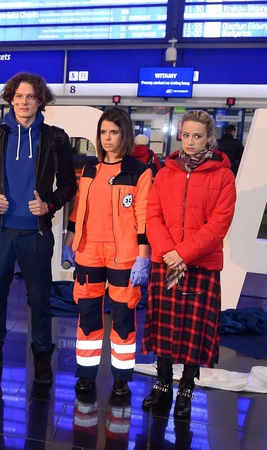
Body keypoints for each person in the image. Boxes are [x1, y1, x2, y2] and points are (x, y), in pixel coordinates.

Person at [0, 72, 77, 385]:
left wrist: (49, 205)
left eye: (30, 96)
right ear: (10, 99)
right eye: (18, 96)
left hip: (37, 234)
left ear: (41, 100)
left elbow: (69, 184)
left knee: (40, 299)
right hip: (0, 233)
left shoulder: (55, 139)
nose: (23, 102)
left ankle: (41, 355)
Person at [141, 110, 236, 420]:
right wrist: (168, 251)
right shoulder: (165, 172)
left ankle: (185, 389)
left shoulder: (223, 175)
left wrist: (182, 253)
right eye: (186, 135)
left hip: (200, 265)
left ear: (209, 138)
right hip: (166, 262)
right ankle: (163, 383)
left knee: (194, 332)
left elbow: (219, 225)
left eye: (198, 136)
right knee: (164, 327)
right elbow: (152, 215)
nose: (190, 141)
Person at [63, 107, 152, 398]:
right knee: (88, 315)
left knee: (123, 319)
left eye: (114, 132)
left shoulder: (139, 171)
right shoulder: (91, 169)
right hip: (89, 251)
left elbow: (143, 216)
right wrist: (70, 239)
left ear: (124, 134)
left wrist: (143, 256)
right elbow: (79, 207)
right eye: (103, 132)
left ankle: (121, 377)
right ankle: (86, 373)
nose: (107, 138)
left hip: (124, 256)